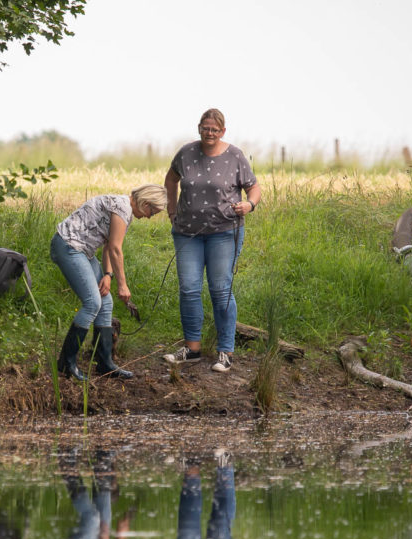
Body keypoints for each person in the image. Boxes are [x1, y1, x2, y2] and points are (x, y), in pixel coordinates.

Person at [163, 109, 261, 373]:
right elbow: (171, 179)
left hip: (224, 232)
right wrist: (171, 210)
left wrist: (249, 204)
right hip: (187, 233)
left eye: (215, 130)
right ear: (199, 128)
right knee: (189, 289)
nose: (210, 133)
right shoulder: (185, 153)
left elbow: (253, 186)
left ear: (223, 132)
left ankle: (225, 352)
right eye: (206, 128)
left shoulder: (235, 156)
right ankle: (192, 349)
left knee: (220, 289)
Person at [50, 184, 167, 381]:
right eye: (152, 212)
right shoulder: (123, 208)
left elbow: (107, 246)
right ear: (145, 203)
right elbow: (115, 249)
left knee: (105, 302)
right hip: (69, 246)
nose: (149, 216)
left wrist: (108, 275)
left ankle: (105, 363)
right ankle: (66, 364)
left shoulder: (124, 209)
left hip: (83, 251)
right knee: (92, 303)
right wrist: (123, 285)